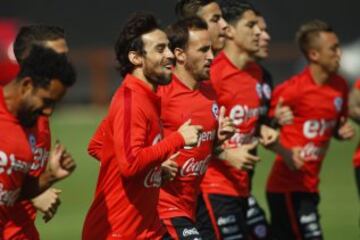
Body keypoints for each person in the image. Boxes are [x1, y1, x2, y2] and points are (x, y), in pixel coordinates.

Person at [82, 12, 202, 239]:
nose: (169, 55)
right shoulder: (131, 100)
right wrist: (177, 139)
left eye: (168, 47)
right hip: (118, 233)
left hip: (147, 229)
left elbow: (98, 145)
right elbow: (130, 163)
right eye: (160, 49)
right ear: (136, 58)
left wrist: (154, 167)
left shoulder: (146, 97)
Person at [158, 16, 258, 240]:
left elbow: (199, 151)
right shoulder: (160, 94)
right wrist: (156, 164)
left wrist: (217, 140)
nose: (211, 57)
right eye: (203, 50)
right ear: (180, 54)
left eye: (211, 49)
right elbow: (114, 146)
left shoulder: (209, 93)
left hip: (193, 207)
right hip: (163, 210)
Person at [266, 20, 354, 240]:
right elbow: (263, 128)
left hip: (310, 186)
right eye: (332, 49)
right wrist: (275, 121)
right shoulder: (292, 90)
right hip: (286, 187)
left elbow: (335, 123)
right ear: (314, 55)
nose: (339, 54)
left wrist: (339, 131)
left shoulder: (340, 87)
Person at [196, 1, 277, 239]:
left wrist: (265, 129)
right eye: (251, 25)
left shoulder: (260, 76)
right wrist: (228, 154)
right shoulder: (212, 75)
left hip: (243, 188)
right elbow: (193, 132)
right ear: (229, 30)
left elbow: (257, 121)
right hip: (213, 187)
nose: (260, 33)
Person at [1, 24, 73, 240]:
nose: (63, 65)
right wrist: (34, 196)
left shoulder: (36, 116)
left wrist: (46, 179)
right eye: (56, 58)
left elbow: (13, 185)